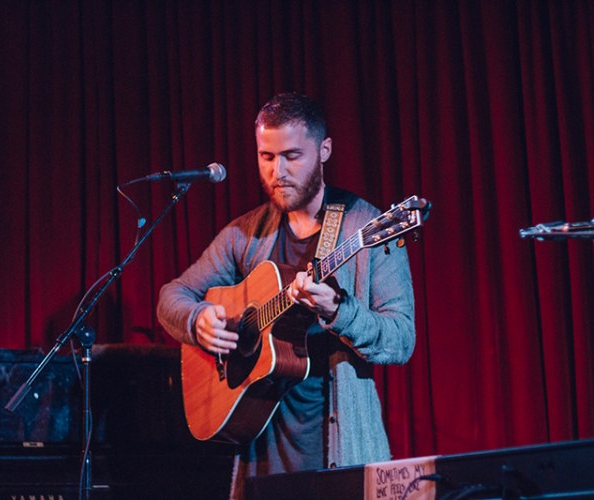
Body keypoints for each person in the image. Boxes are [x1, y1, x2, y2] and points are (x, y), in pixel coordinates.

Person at [157, 92, 415, 499]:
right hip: (260, 453)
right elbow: (173, 295)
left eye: (292, 156)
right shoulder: (246, 234)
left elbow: (401, 339)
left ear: (324, 150)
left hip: (337, 449)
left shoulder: (366, 226)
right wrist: (198, 321)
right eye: (266, 156)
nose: (278, 171)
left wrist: (339, 310)